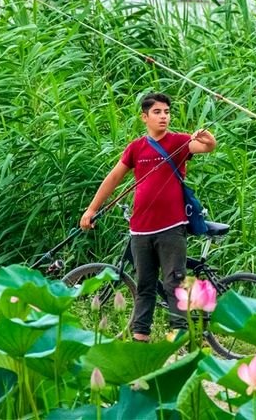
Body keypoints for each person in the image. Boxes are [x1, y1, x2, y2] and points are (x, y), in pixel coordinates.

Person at [80, 92, 216, 342]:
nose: (163, 116)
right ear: (144, 117)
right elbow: (113, 178)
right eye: (157, 112)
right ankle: (140, 338)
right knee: (144, 287)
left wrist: (208, 139)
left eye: (166, 112)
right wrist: (91, 209)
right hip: (140, 230)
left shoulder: (179, 142)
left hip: (172, 227)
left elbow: (206, 147)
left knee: (174, 283)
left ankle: (180, 341)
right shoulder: (136, 148)